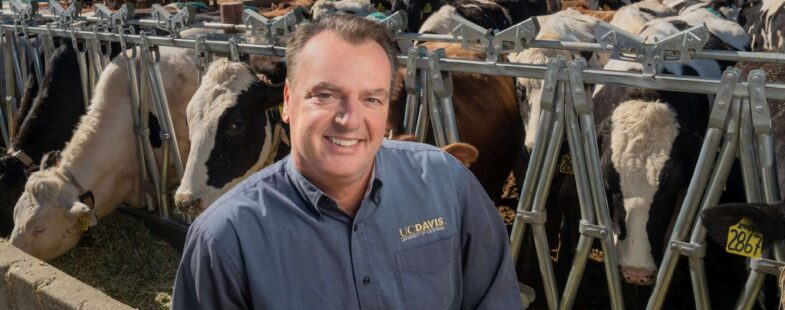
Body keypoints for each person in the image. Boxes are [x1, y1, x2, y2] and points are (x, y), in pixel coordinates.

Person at [171, 14, 521, 309]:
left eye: (371, 98)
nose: (349, 119)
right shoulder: (223, 239)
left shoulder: (448, 183)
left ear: (388, 106)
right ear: (288, 102)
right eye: (325, 95)